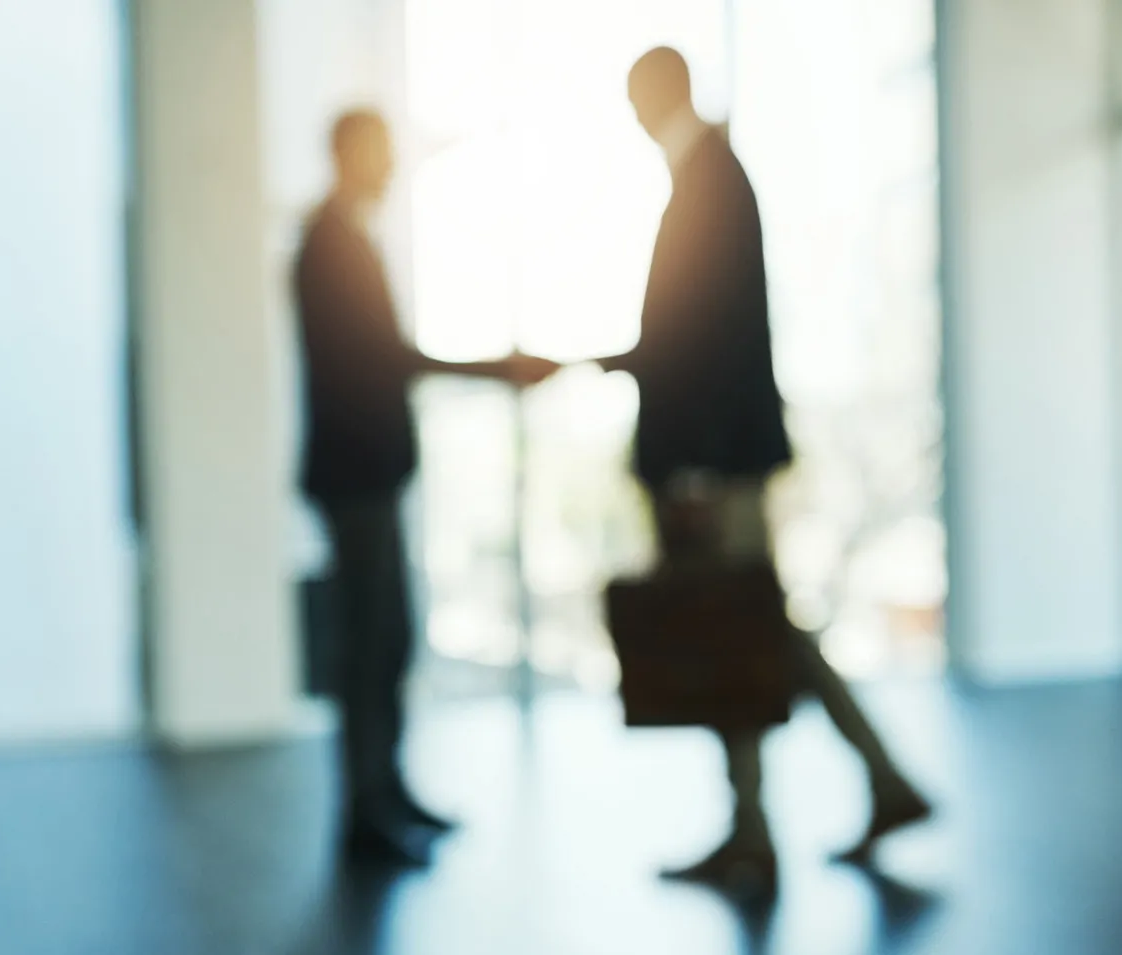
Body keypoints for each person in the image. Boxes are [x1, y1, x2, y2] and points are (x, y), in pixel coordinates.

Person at [598, 48, 933, 895]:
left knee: (749, 628)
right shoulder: (708, 175)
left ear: (651, 101)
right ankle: (783, 816)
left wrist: (695, 467)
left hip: (716, 464)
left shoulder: (707, 181)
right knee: (745, 630)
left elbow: (712, 341)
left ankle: (837, 799)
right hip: (718, 457)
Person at [294, 109, 558, 867]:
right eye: (379, 152)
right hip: (355, 476)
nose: (389, 166)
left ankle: (385, 790)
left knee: (388, 639)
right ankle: (366, 808)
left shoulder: (344, 237)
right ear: (347, 152)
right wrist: (493, 370)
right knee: (368, 643)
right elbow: (378, 358)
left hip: (368, 473)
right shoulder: (331, 243)